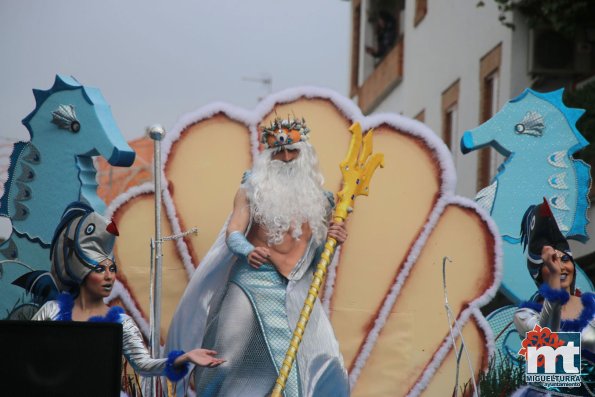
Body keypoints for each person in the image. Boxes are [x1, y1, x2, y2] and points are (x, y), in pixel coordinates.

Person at [167, 117, 350, 396]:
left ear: (305, 154)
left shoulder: (322, 201)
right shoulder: (252, 187)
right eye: (279, 151)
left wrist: (333, 242)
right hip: (251, 280)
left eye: (292, 151)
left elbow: (315, 262)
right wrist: (248, 250)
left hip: (292, 288)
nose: (286, 158)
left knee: (297, 366)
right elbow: (234, 232)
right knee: (226, 355)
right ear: (268, 154)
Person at [32, 202, 224, 390]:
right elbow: (23, 350)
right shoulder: (52, 312)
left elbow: (144, 365)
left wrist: (185, 357)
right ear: (82, 272)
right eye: (100, 269)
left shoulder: (121, 324)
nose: (109, 277)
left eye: (112, 269)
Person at [512, 199, 595, 396]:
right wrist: (555, 283)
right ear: (539, 272)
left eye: (565, 259)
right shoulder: (525, 315)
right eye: (552, 262)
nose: (560, 267)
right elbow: (547, 341)